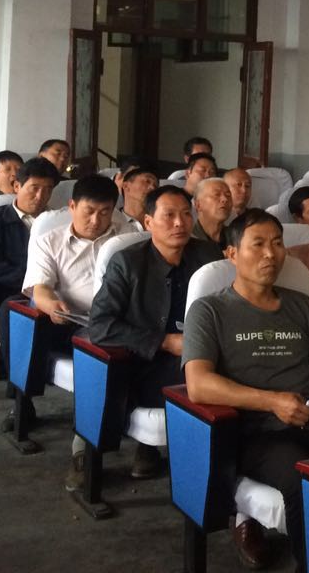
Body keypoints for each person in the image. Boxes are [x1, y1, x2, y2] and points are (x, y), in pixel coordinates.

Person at [183, 209, 309, 570]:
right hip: (257, 433)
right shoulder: (210, 310)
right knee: (306, 480)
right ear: (231, 253)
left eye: (277, 243)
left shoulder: (301, 305)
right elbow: (198, 384)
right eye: (257, 244)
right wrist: (271, 402)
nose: (270, 254)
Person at [87, 185, 221, 479]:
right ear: (148, 222)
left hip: (202, 353)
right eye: (169, 215)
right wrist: (164, 342)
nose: (180, 223)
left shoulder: (208, 255)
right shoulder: (127, 262)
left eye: (186, 214)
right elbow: (100, 325)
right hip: (147, 361)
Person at [23, 173, 134, 487]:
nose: (97, 220)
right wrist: (51, 305)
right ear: (72, 206)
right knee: (99, 355)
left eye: (105, 212)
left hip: (122, 321)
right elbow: (40, 289)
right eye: (89, 211)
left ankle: (146, 445)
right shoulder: (49, 241)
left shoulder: (127, 238)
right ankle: (83, 449)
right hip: (73, 321)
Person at [0, 157, 58, 380]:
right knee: (10, 308)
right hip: (10, 287)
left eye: (48, 189)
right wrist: (29, 281)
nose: (40, 196)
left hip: (55, 289)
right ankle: (13, 370)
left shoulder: (58, 222)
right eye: (34, 188)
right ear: (17, 186)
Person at [191, 177, 233, 249]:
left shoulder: (237, 237)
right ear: (198, 205)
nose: (225, 199)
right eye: (217, 194)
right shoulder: (187, 239)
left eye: (228, 195)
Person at [116, 164, 159, 229]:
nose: (152, 188)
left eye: (155, 186)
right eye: (147, 181)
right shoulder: (113, 221)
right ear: (126, 186)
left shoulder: (160, 222)